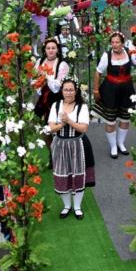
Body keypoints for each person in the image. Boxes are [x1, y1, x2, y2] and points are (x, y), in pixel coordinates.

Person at [48, 78, 94, 219]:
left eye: (71, 89)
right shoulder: (56, 105)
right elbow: (51, 128)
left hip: (77, 144)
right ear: (62, 91)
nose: (68, 92)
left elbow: (83, 128)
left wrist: (68, 121)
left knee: (78, 174)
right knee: (62, 174)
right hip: (60, 144)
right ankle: (67, 206)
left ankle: (77, 207)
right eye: (66, 89)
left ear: (76, 91)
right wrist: (62, 124)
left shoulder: (82, 107)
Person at [93, 32, 136, 159]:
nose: (114, 45)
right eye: (112, 42)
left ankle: (120, 143)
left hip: (127, 89)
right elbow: (97, 73)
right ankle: (113, 146)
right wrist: (96, 91)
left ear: (122, 43)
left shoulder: (129, 53)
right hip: (110, 90)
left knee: (125, 118)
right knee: (110, 120)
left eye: (117, 42)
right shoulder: (107, 55)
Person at [34, 38, 69, 122]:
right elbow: (34, 78)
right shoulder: (40, 61)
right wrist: (38, 82)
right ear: (45, 50)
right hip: (42, 96)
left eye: (53, 48)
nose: (51, 50)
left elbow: (58, 84)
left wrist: (45, 77)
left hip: (56, 98)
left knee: (54, 122)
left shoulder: (62, 64)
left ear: (57, 49)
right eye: (48, 48)